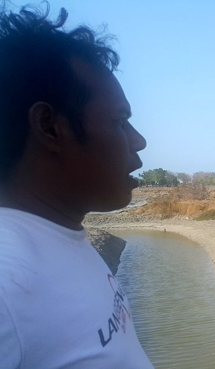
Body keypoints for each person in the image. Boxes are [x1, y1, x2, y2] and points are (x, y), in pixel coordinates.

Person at [0, 3, 153, 368]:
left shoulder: (61, 235)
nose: (139, 141)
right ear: (51, 127)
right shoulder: (8, 278)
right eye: (119, 121)